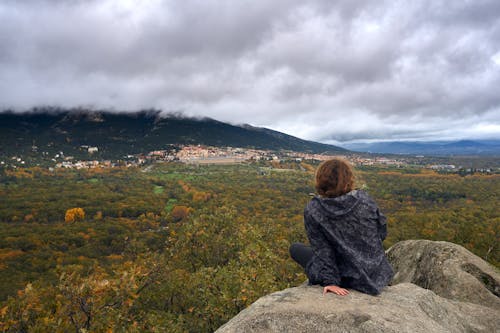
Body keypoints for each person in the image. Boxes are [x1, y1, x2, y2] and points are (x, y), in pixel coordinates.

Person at [290, 158, 393, 296]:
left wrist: (331, 281)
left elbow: (322, 250)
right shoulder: (365, 201)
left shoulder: (314, 209)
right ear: (348, 179)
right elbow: (381, 232)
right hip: (376, 273)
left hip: (346, 277)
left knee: (296, 248)